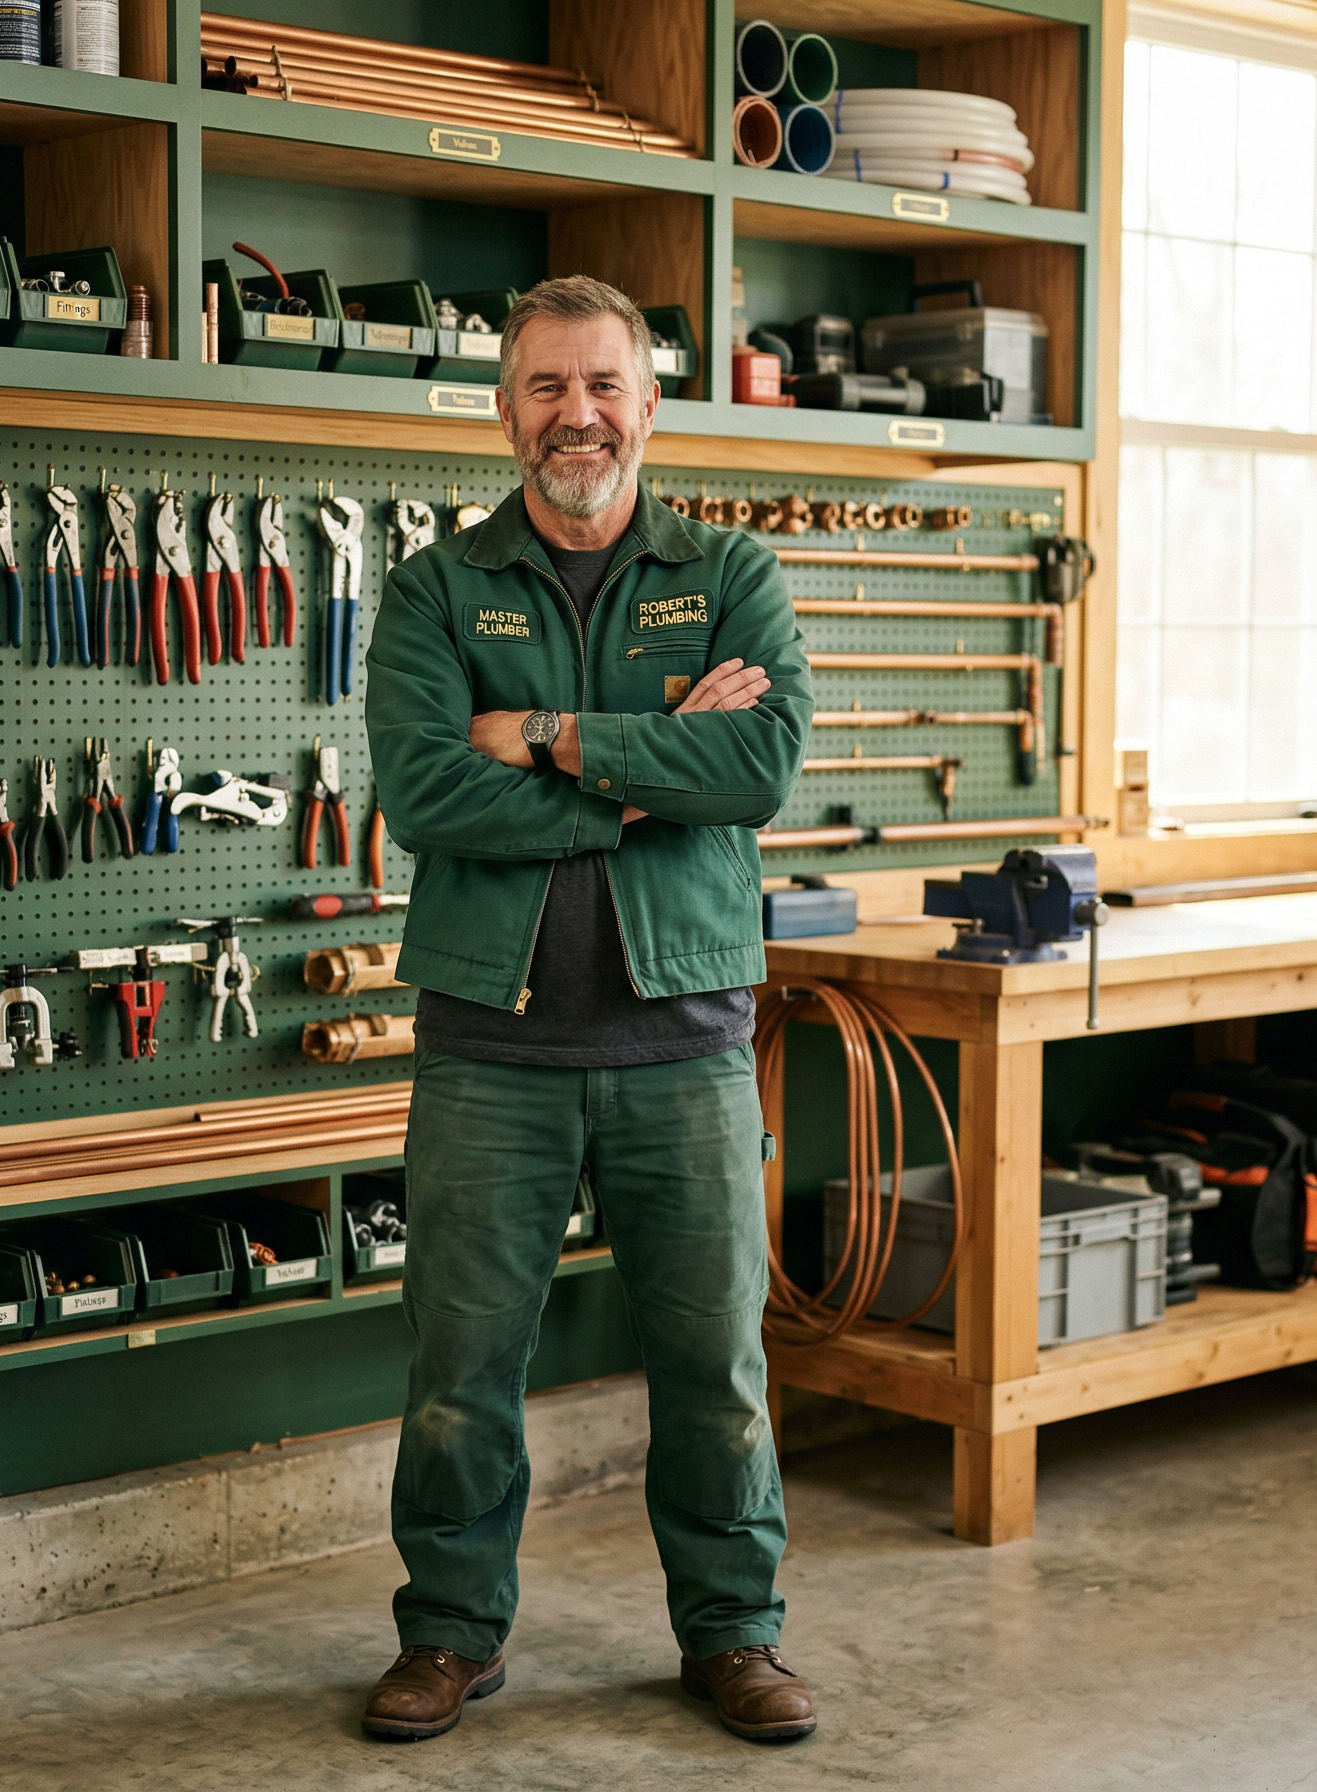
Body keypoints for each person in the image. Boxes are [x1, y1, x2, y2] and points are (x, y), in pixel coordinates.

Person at [361, 276, 815, 1745]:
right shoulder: (435, 590)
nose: (579, 415)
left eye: (604, 384)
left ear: (647, 405)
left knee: (717, 1371)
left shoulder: (729, 571)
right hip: (491, 1050)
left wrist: (550, 736)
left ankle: (733, 1635)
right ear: (506, 411)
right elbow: (428, 795)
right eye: (548, 387)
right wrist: (645, 772)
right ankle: (450, 1633)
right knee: (459, 1373)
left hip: (686, 1044)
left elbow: (757, 771)